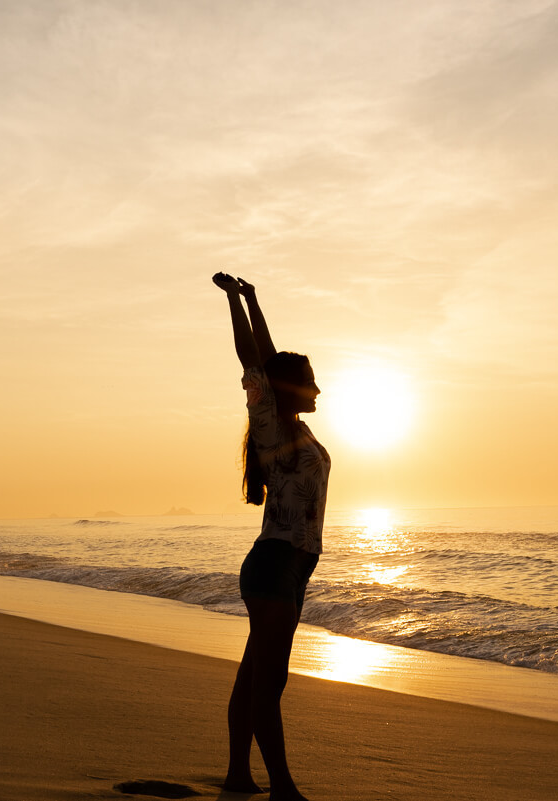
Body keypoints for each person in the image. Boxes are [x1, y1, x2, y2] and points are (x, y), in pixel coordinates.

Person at [213, 272, 330, 801]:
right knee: (269, 682)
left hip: (294, 566)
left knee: (254, 676)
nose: (319, 388)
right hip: (274, 564)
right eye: (310, 380)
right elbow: (253, 362)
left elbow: (269, 355)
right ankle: (282, 786)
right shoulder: (271, 426)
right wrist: (235, 303)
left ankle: (240, 775)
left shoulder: (297, 430)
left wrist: (257, 299)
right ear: (288, 390)